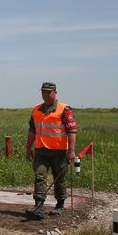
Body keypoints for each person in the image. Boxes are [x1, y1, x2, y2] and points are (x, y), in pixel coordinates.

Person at [25, 82, 78, 220]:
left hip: (59, 152)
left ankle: (60, 204)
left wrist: (71, 151)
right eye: (43, 92)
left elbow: (72, 131)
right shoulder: (36, 110)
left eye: (48, 92)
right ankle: (38, 207)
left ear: (55, 92)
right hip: (41, 150)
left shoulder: (64, 109)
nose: (46, 95)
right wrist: (28, 148)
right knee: (39, 176)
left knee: (59, 178)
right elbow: (32, 130)